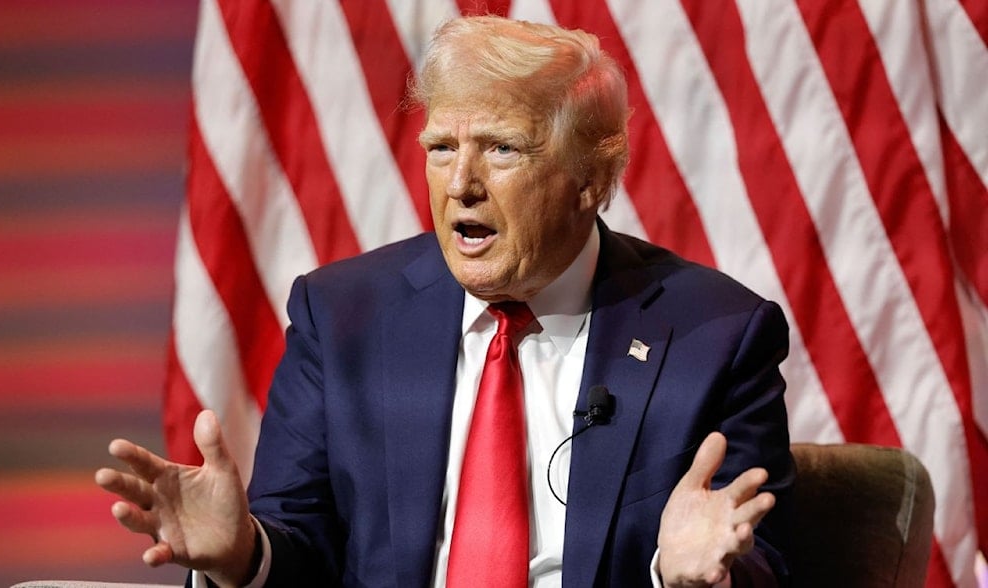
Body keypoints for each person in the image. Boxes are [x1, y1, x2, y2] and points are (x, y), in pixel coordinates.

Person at [96, 15, 794, 588]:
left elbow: (770, 563)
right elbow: (300, 544)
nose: (460, 183)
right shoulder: (342, 317)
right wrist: (244, 556)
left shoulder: (714, 335)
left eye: (502, 149)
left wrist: (685, 576)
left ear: (590, 176)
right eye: (440, 147)